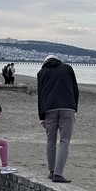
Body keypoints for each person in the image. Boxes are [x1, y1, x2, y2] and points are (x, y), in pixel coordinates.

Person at [37, 54, 78, 183]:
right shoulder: (67, 68)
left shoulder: (41, 72)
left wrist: (41, 116)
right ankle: (58, 174)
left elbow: (40, 95)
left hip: (49, 109)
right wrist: (74, 108)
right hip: (67, 108)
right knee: (64, 141)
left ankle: (52, 171)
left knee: (50, 141)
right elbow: (75, 90)